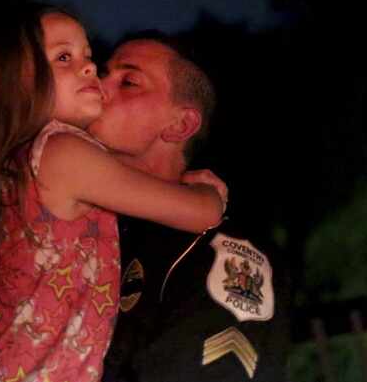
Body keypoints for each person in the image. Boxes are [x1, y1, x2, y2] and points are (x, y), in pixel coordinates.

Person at [0, 6, 228, 382]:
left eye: (87, 56)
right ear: (16, 84)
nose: (89, 68)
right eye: (63, 57)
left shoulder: (31, 160)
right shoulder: (63, 154)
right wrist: (206, 190)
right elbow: (201, 214)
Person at [93, 32, 291, 382]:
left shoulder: (218, 250)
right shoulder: (83, 226)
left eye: (129, 81)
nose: (97, 85)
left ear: (180, 125)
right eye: (102, 73)